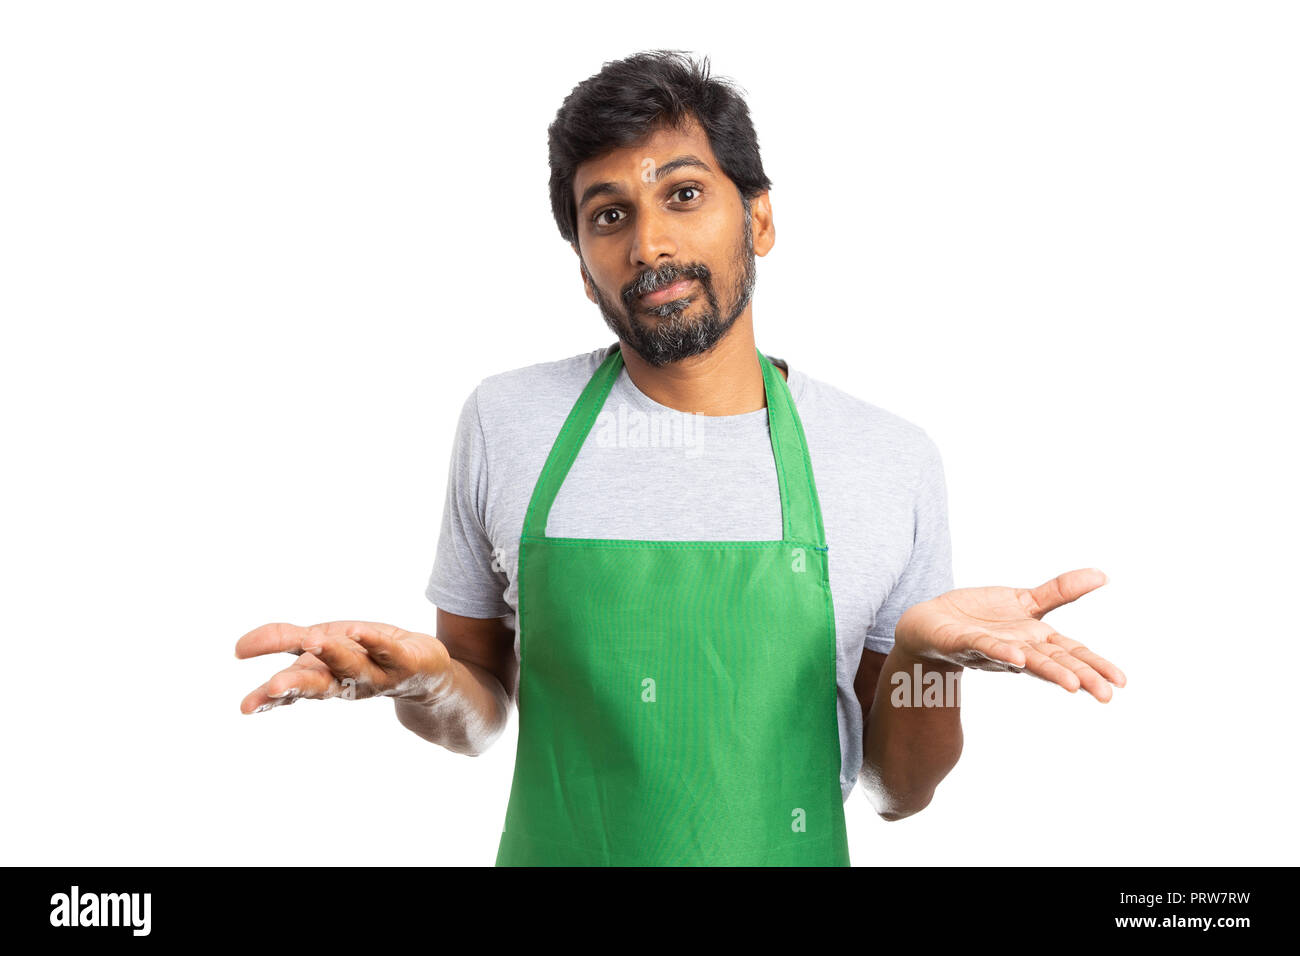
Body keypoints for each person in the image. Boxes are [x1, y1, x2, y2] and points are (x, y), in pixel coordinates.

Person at [235, 50, 1124, 866]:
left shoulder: (888, 459)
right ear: (584, 267)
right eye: (609, 214)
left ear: (761, 218)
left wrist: (928, 664)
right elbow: (477, 717)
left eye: (685, 195)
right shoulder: (506, 422)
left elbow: (900, 793)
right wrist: (426, 688)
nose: (649, 244)